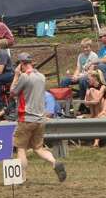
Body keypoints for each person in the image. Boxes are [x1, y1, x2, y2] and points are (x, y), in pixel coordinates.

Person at [9, 52, 67, 182]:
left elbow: (12, 92)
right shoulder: (41, 76)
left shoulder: (24, 76)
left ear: (22, 64)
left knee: (21, 148)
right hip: (40, 119)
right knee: (38, 148)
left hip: (26, 118)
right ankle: (54, 162)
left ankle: (23, 177)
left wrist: (16, 75)